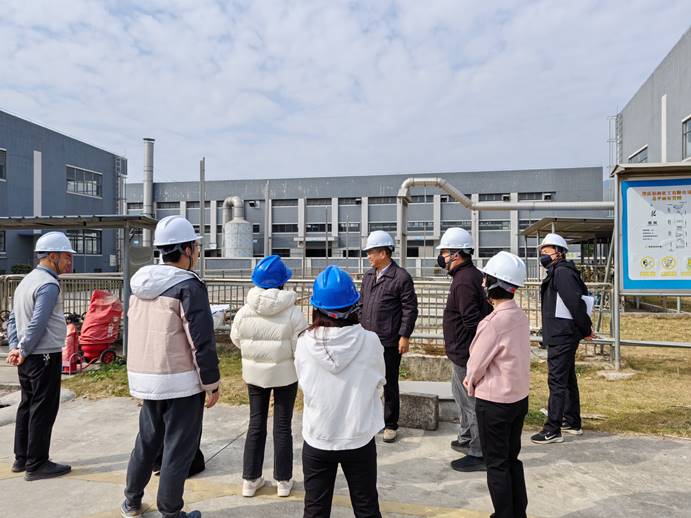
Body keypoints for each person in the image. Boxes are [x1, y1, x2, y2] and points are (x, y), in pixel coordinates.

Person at [121, 215, 221, 518]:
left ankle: (131, 501)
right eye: (196, 247)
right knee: (178, 448)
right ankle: (171, 511)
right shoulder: (188, 286)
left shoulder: (141, 284)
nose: (198, 252)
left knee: (147, 442)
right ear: (187, 250)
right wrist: (211, 383)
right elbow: (201, 340)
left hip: (147, 378)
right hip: (180, 382)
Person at [295, 266, 385, 518]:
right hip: (358, 436)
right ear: (355, 306)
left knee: (315, 509)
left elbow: (303, 382)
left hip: (319, 436)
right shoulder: (370, 341)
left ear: (316, 307)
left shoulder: (304, 342)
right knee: (366, 506)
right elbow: (380, 381)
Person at [230, 255, 307, 498]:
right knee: (283, 426)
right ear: (282, 282)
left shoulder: (244, 311)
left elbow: (236, 339)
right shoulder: (293, 312)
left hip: (254, 375)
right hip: (285, 375)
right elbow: (300, 347)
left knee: (256, 423)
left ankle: (250, 480)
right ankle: (283, 481)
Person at [464, 251, 531, 518]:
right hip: (518, 398)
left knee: (496, 464)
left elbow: (476, 365)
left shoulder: (493, 323)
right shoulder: (520, 316)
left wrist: (471, 384)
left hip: (494, 403)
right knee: (512, 459)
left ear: (493, 284)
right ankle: (517, 513)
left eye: (486, 279)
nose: (483, 283)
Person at [6, 232, 75, 481]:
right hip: (43, 355)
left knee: (27, 405)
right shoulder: (48, 285)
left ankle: (22, 458)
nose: (69, 262)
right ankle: (37, 464)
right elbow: (38, 322)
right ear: (52, 256)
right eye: (66, 257)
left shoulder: (26, 281)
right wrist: (22, 349)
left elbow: (13, 319)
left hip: (28, 357)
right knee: (43, 409)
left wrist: (15, 347)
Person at [437, 227, 493, 472]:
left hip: (465, 353)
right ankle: (467, 438)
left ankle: (479, 453)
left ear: (457, 254)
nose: (442, 257)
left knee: (471, 404)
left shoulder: (464, 282)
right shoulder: (470, 276)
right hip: (461, 352)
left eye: (445, 252)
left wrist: (475, 354)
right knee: (461, 398)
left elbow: (472, 321)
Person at [531, 233, 593, 445]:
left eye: (547, 250)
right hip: (561, 333)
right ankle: (572, 421)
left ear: (559, 252)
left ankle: (552, 429)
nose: (543, 253)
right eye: (542, 250)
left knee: (557, 381)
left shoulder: (562, 273)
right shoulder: (558, 272)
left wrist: (586, 328)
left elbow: (575, 304)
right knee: (567, 379)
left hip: (562, 334)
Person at [359, 230, 418, 443]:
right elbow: (361, 304)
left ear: (383, 253)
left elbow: (410, 309)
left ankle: (390, 424)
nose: (368, 256)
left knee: (389, 382)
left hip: (389, 340)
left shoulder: (401, 277)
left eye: (371, 252)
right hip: (367, 338)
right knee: (366, 381)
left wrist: (404, 336)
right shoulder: (368, 276)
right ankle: (370, 419)